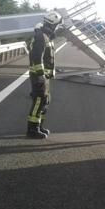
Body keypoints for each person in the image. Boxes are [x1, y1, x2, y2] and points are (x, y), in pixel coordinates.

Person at [26, 11, 62, 139]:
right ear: (53, 25)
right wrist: (41, 75)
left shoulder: (46, 36)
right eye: (57, 25)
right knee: (39, 102)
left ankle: (39, 125)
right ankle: (32, 129)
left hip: (44, 77)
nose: (58, 27)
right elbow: (36, 58)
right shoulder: (41, 36)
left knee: (45, 102)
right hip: (39, 76)